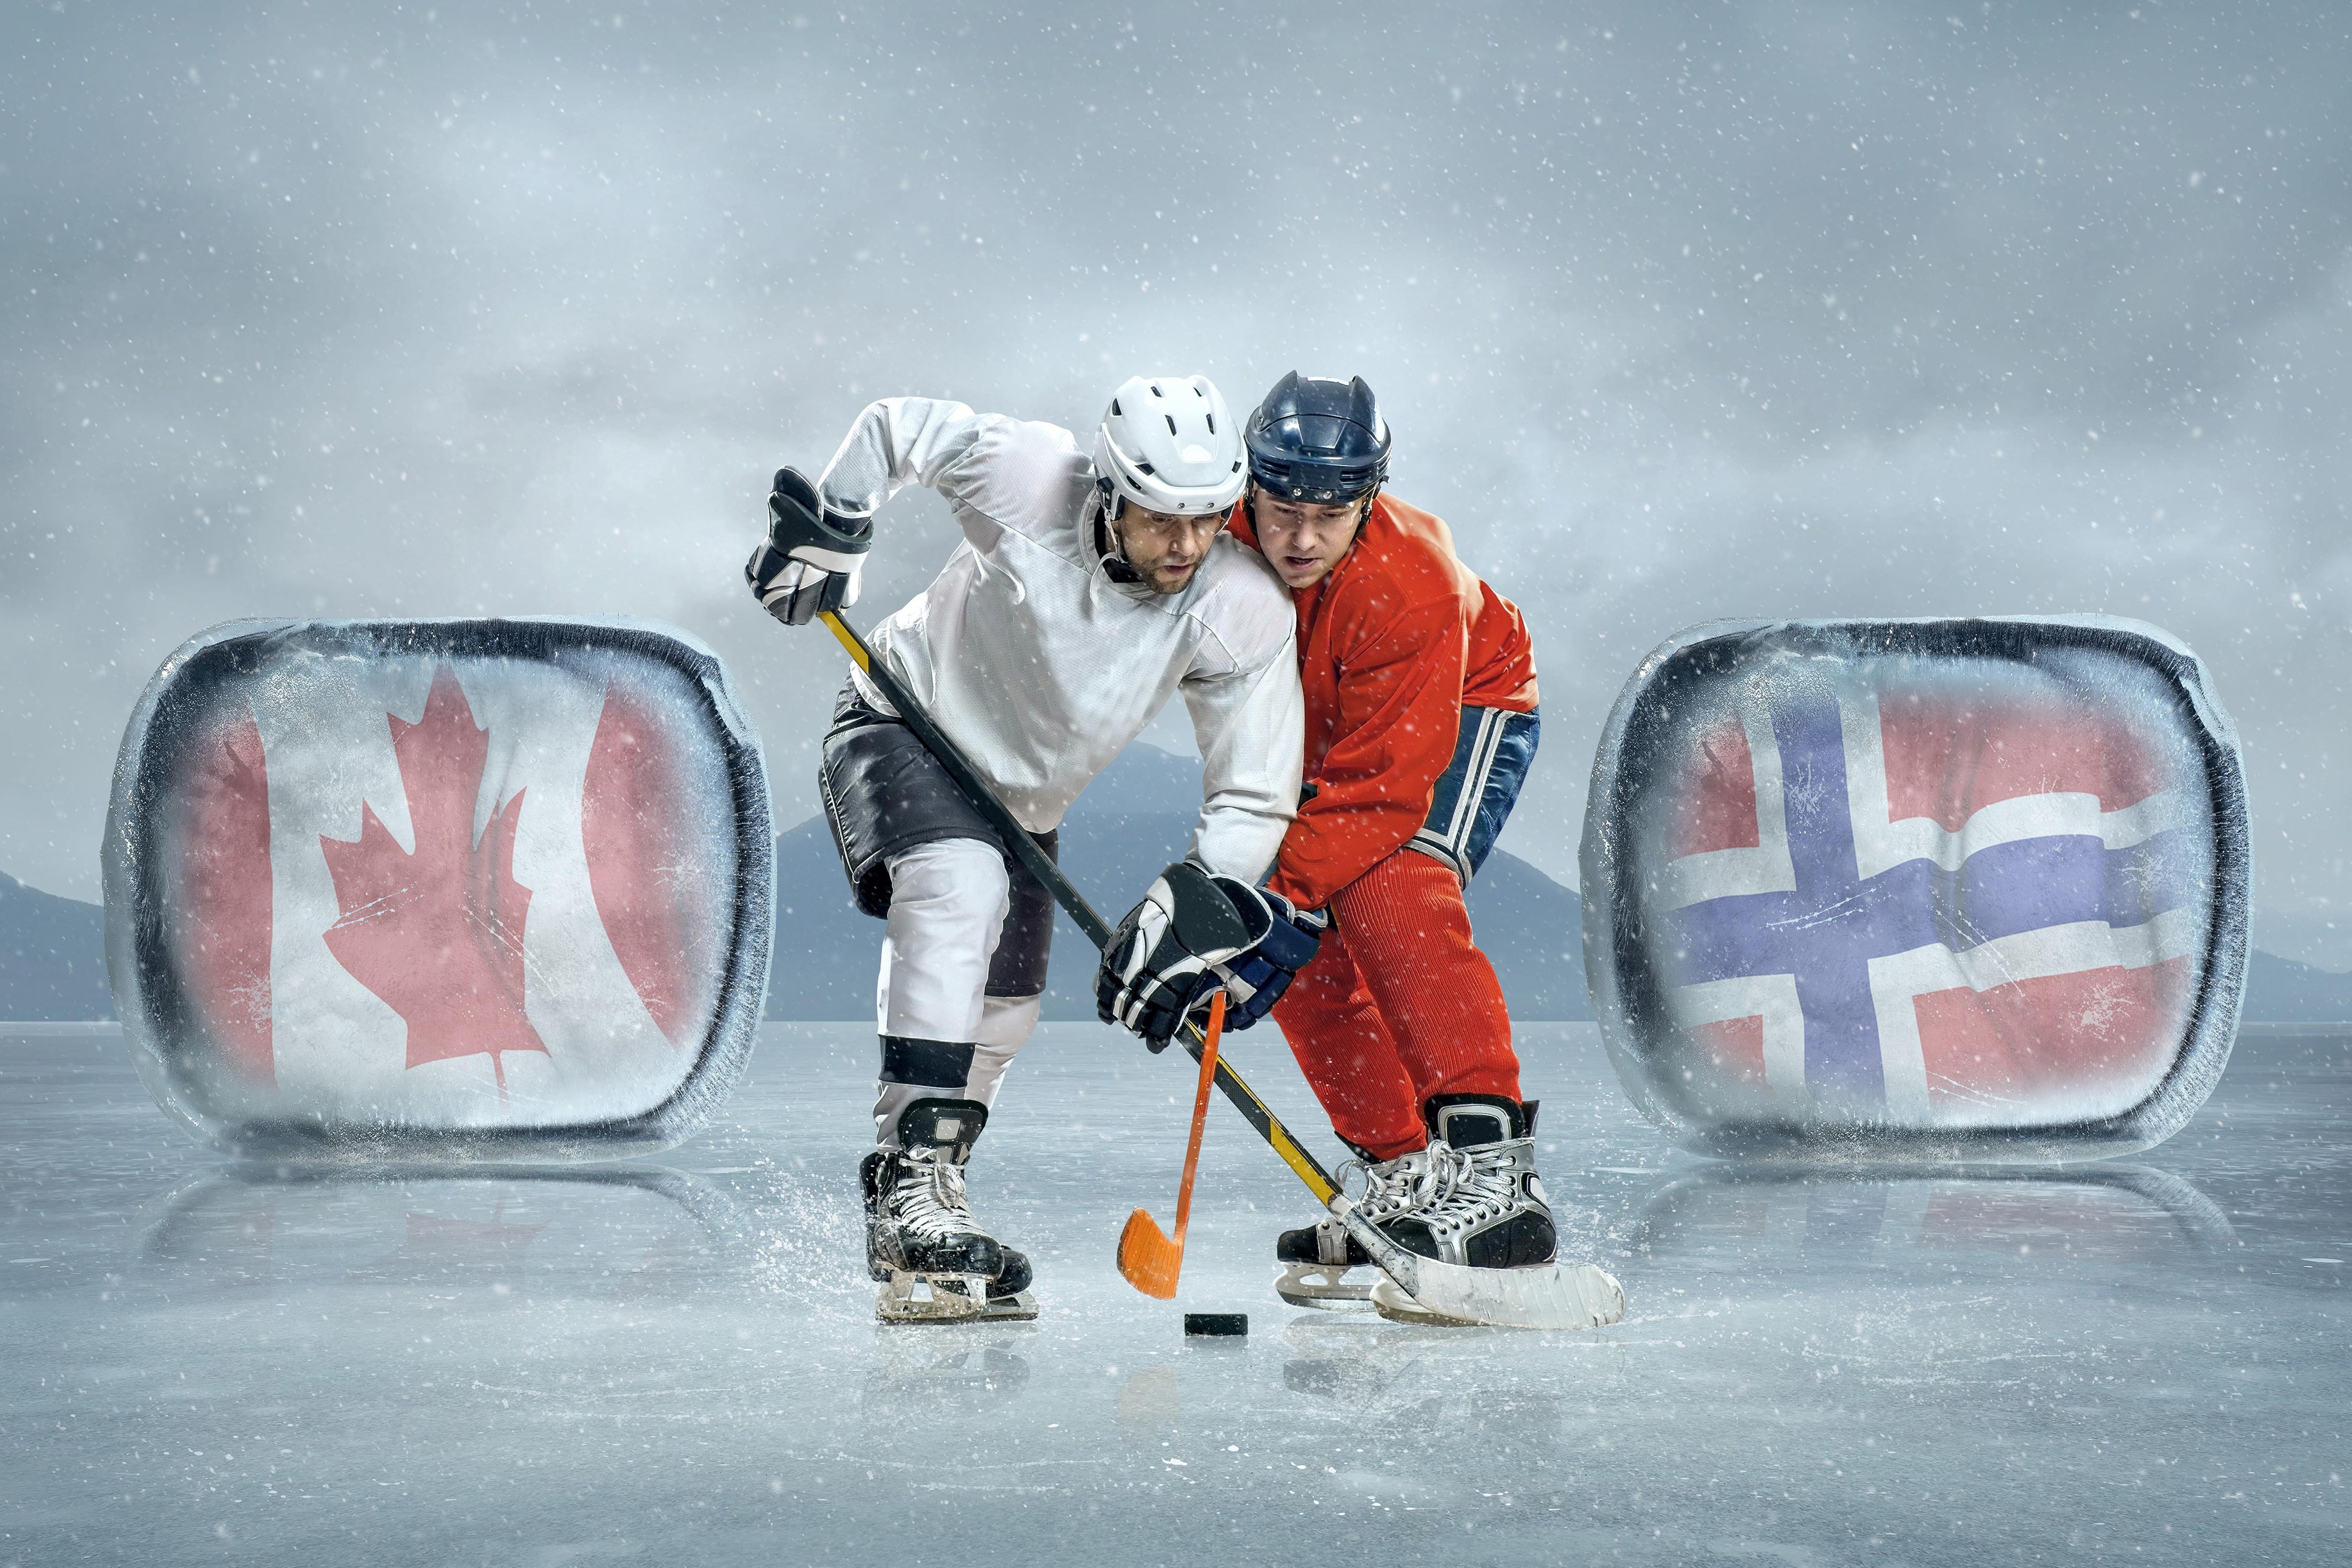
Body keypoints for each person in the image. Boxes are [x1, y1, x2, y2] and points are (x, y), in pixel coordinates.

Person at [747, 376, 1315, 1321]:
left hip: (1025, 798)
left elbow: (1255, 785)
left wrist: (1206, 898)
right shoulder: (1030, 478)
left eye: (1208, 518)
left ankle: (930, 1205)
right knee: (957, 887)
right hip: (905, 719)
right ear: (1109, 487)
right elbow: (898, 429)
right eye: (1160, 517)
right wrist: (835, 523)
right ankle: (907, 1176)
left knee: (1006, 1012)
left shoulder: (1240, 608)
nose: (1184, 545)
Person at [1214, 371, 1556, 1311]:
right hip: (1326, 720)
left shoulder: (1416, 584)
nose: (1300, 539)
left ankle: (1492, 1181)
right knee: (1283, 945)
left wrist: (1279, 894)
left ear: (1372, 495)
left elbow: (1381, 799)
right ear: (1249, 483)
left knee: (1386, 882)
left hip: (1464, 702)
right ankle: (1404, 1175)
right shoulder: (1207, 539)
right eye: (1281, 508)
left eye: (1331, 514)